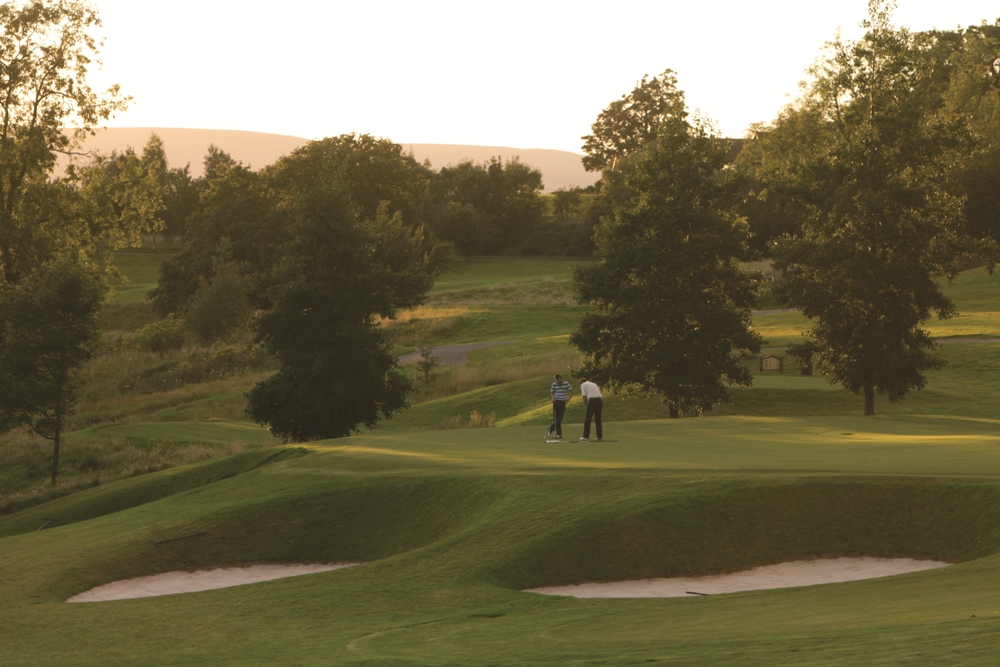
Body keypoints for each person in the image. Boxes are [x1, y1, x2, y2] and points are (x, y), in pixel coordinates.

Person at [547, 373, 573, 439]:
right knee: (556, 417)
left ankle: (551, 428)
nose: (559, 381)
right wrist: (552, 398)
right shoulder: (554, 384)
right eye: (557, 379)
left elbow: (571, 391)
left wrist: (568, 399)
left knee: (560, 417)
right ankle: (559, 434)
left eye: (559, 379)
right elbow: (552, 392)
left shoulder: (566, 383)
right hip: (556, 401)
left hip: (562, 401)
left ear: (561, 378)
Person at [579, 376, 603, 442]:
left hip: (592, 400)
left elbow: (584, 397)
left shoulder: (583, 385)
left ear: (581, 382)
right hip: (600, 400)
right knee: (598, 419)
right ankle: (599, 436)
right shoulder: (593, 384)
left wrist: (586, 405)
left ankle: (585, 436)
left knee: (588, 419)